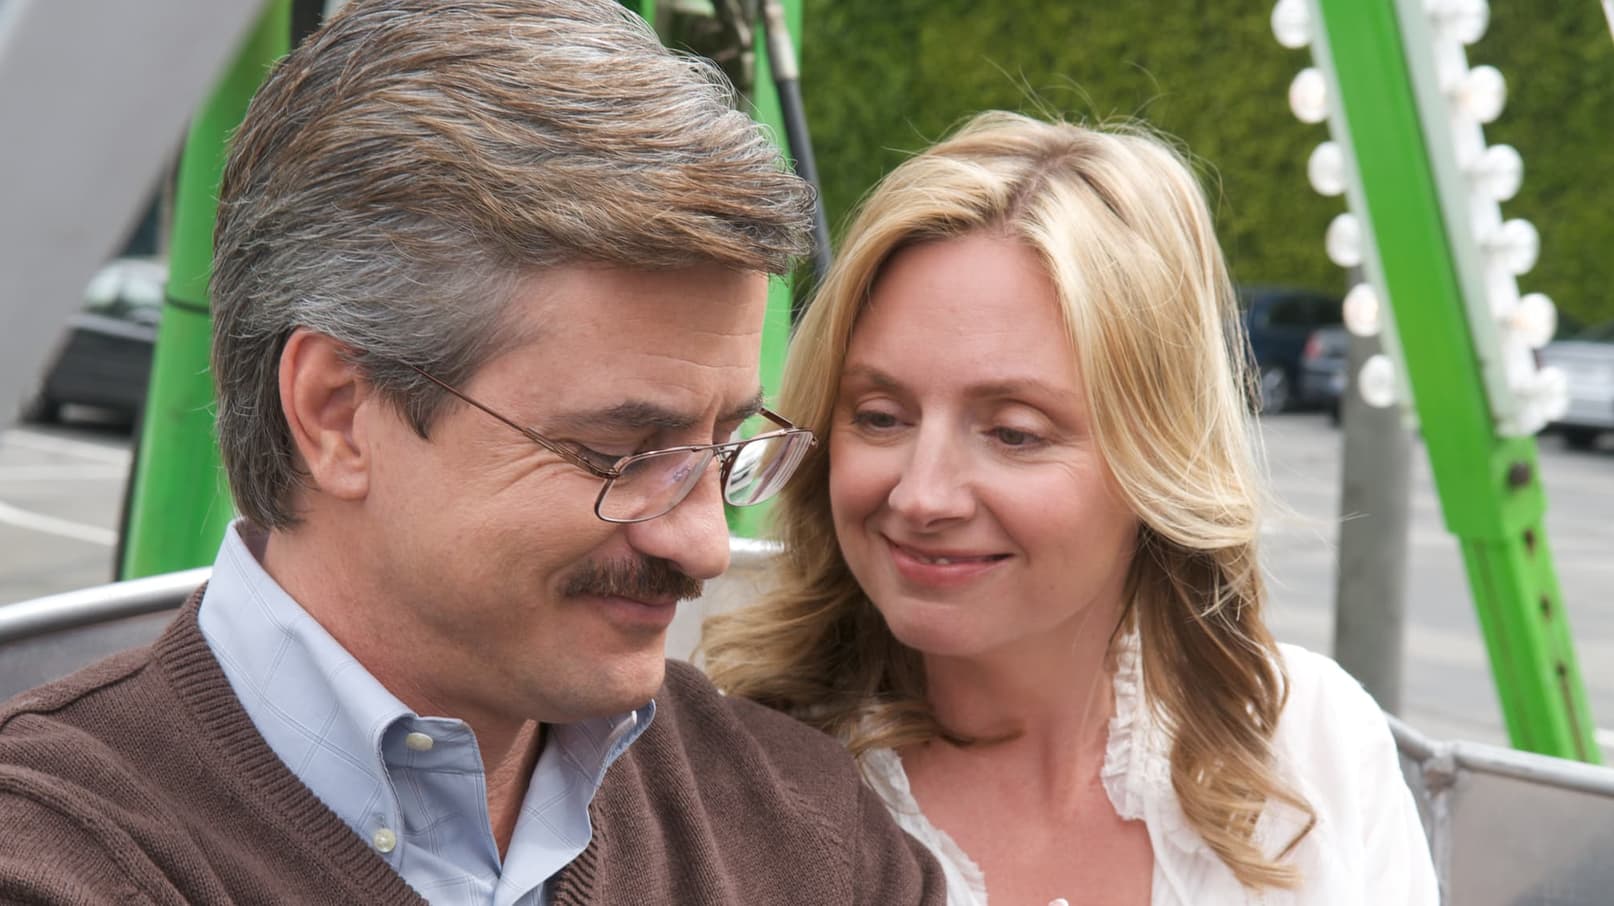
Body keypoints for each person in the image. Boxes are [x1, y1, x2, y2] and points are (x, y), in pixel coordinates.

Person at [0, 2, 945, 903]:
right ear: (335, 414)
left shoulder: (807, 824)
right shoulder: (47, 856)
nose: (703, 544)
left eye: (724, 445)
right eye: (620, 450)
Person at [703, 111, 1438, 905]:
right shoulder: (733, 792)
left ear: (1158, 453)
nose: (922, 495)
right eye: (881, 417)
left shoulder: (1313, 748)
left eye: (1014, 433)